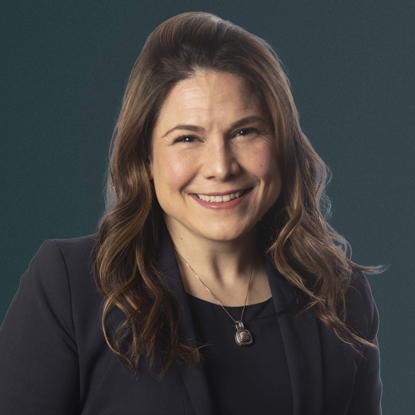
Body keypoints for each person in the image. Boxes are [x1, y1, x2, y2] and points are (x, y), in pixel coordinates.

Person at [0, 11, 384, 415]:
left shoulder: (341, 296)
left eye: (245, 131)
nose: (221, 167)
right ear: (145, 158)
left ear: (282, 144)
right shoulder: (69, 285)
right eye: (187, 138)